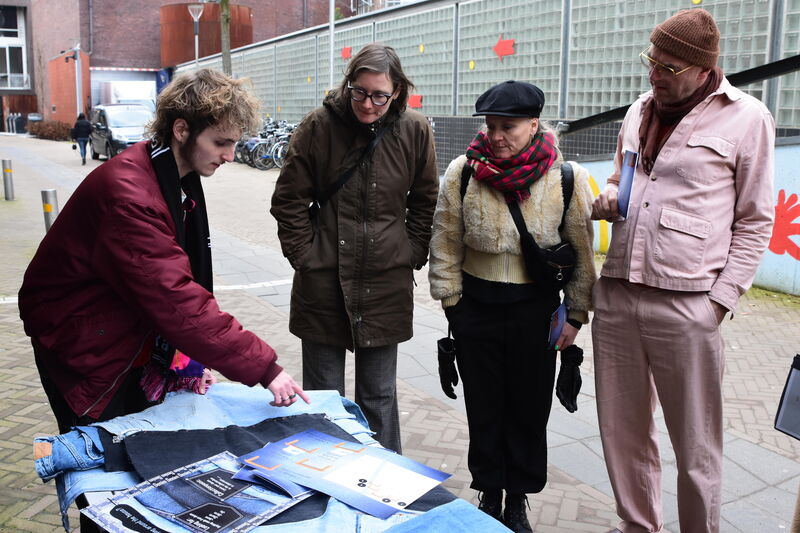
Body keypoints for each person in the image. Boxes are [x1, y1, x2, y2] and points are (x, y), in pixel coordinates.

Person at [19, 69, 309, 435]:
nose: (230, 156)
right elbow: (177, 300)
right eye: (221, 142)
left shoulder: (171, 173)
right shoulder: (130, 197)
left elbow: (180, 285)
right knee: (105, 463)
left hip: (120, 335)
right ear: (182, 129)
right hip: (88, 348)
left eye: (235, 143)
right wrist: (265, 369)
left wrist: (190, 356)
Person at [590, 9, 775, 533]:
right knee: (623, 436)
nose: (655, 75)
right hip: (619, 291)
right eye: (653, 61)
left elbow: (756, 219)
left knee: (696, 446)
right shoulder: (637, 111)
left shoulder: (746, 118)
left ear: (702, 69)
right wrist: (608, 197)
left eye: (669, 67)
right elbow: (623, 182)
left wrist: (719, 301)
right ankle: (638, 527)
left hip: (688, 301)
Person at [428, 80, 596, 532]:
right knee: (483, 404)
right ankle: (489, 490)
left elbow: (582, 249)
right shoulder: (464, 171)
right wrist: (451, 302)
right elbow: (445, 239)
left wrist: (576, 315)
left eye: (510, 126)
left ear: (534, 124)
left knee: (527, 405)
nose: (497, 136)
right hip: (476, 306)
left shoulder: (565, 177)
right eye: (492, 126)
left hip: (535, 311)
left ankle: (517, 498)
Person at [270, 43, 438, 454]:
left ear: (397, 90)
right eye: (359, 92)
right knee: (324, 399)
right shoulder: (318, 126)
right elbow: (288, 200)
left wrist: (411, 251)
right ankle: (326, 482)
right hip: (323, 283)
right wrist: (306, 257)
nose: (367, 103)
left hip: (385, 283)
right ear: (348, 85)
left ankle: (384, 483)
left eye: (379, 95)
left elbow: (425, 200)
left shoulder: (415, 130)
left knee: (379, 396)